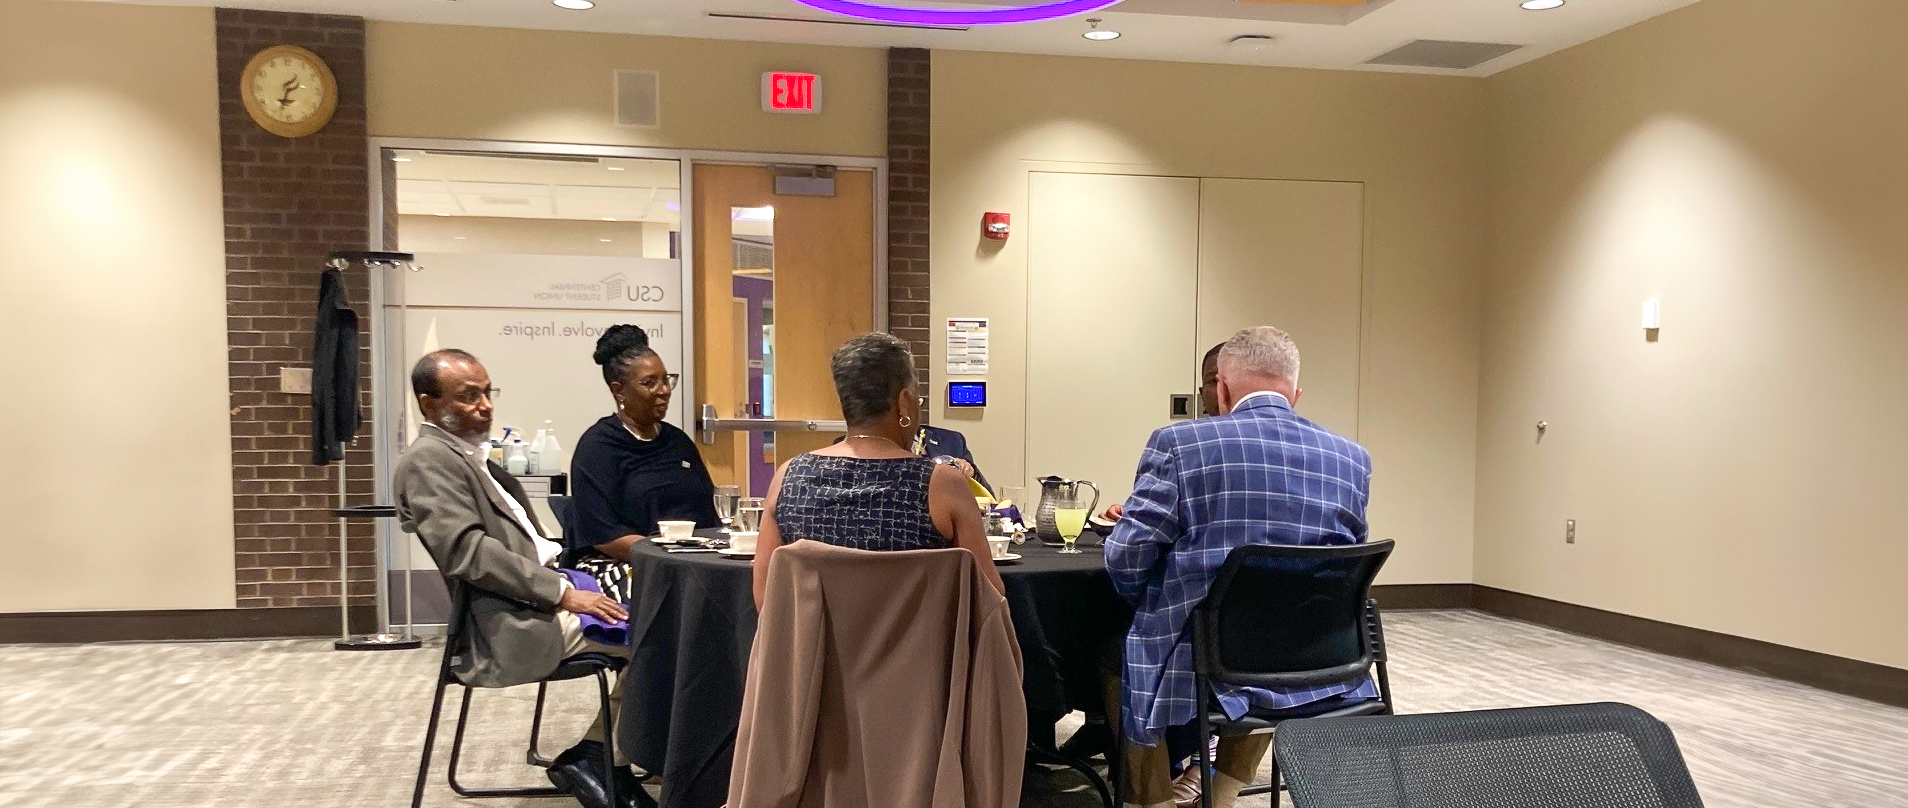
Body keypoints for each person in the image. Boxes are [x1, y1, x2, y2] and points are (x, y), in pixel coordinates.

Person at [1103, 326, 1375, 808]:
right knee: (1269, 637)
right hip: (1320, 660)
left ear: (1221, 389)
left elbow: (1127, 557)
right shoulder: (1352, 458)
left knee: (1117, 653)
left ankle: (1155, 801)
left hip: (1205, 659)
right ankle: (1223, 794)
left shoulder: (1178, 444)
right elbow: (1341, 563)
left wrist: (1148, 600)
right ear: (1295, 392)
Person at [393, 349, 653, 808]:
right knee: (664, 640)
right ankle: (600, 757)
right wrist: (563, 592)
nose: (484, 405)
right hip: (512, 618)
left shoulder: (475, 459)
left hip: (549, 589)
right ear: (428, 404)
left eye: (487, 392)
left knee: (668, 610)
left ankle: (606, 753)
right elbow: (466, 551)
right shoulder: (428, 461)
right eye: (467, 396)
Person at [752, 332, 1006, 608]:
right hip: (921, 651)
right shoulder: (942, 485)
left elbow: (766, 599)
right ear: (904, 402)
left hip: (811, 651)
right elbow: (989, 598)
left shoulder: (788, 477)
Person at [568, 325, 720, 602]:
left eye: (667, 380)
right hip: (628, 564)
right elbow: (604, 536)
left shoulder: (678, 442)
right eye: (650, 383)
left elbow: (709, 513)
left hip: (692, 561)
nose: (664, 391)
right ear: (619, 391)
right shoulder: (598, 448)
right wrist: (666, 555)